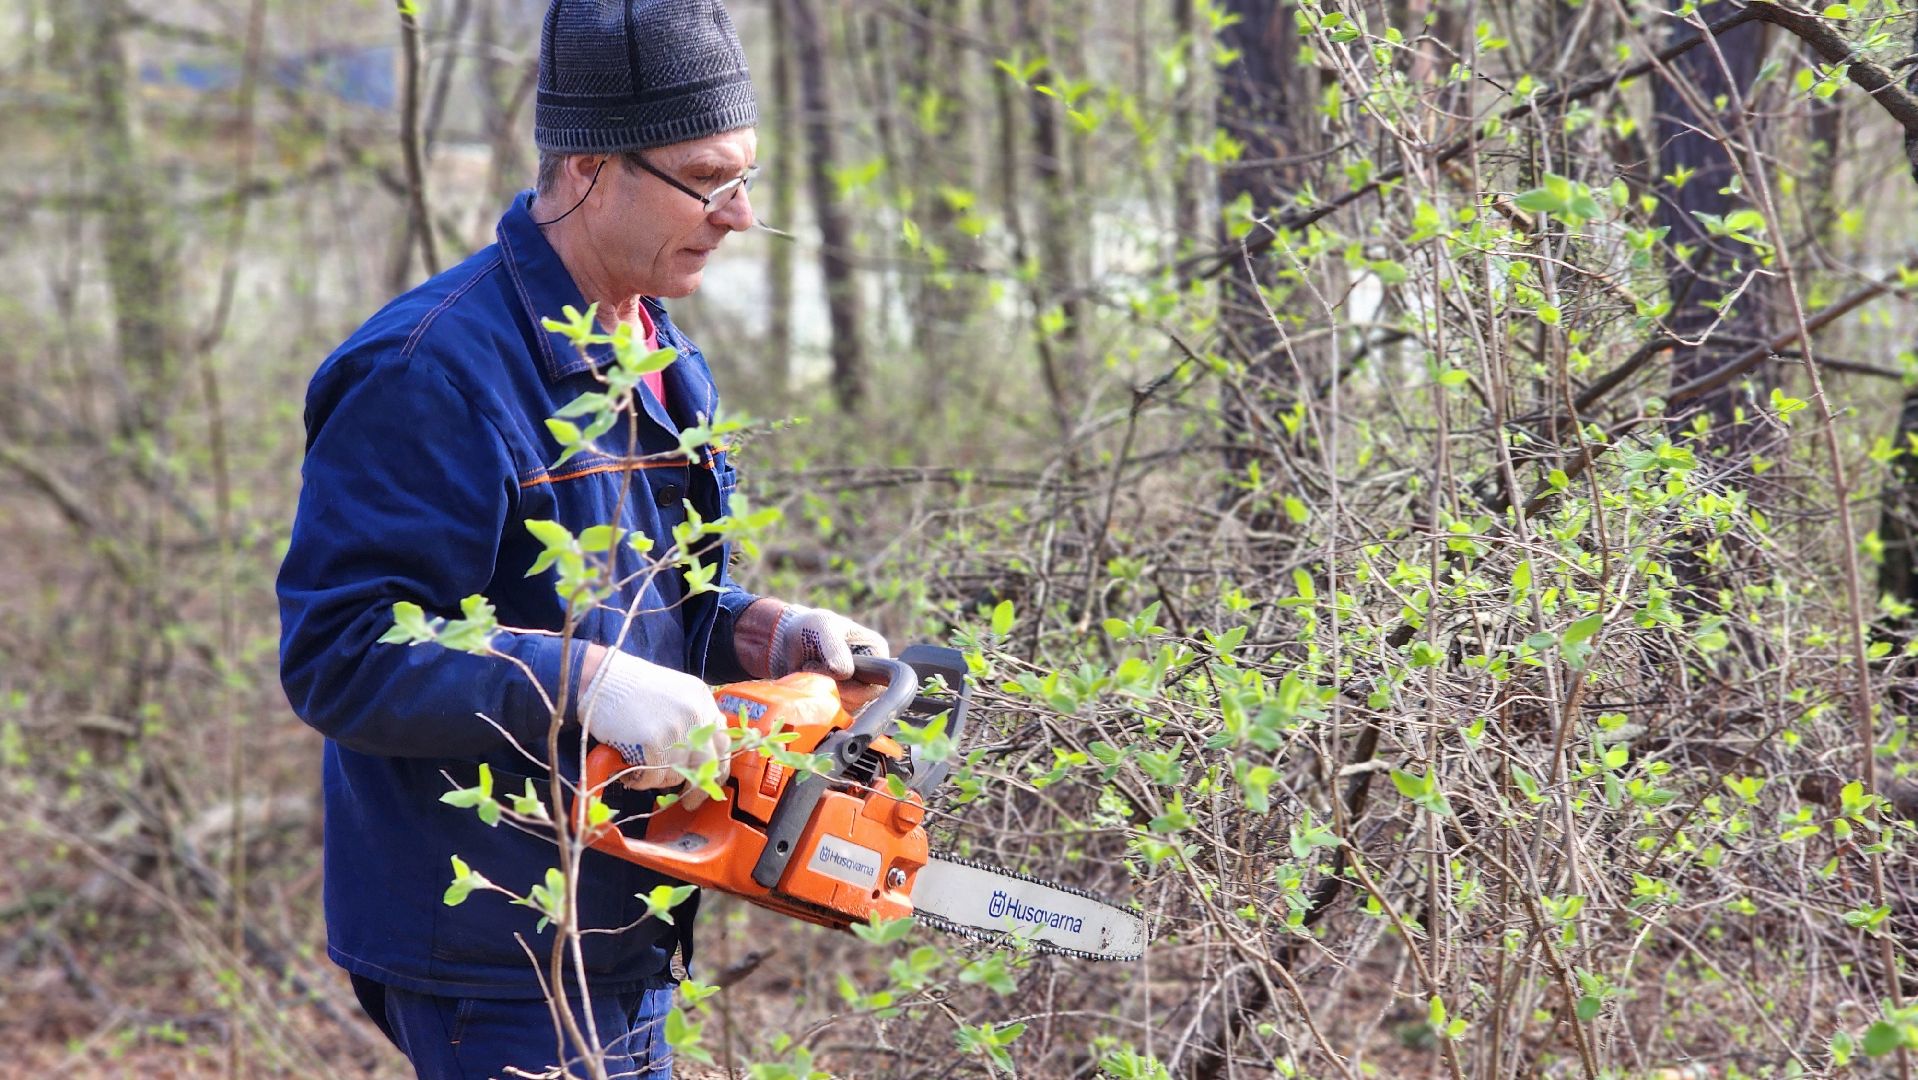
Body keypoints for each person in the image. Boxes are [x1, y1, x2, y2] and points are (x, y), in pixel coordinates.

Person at [276, 2, 885, 1075]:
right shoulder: (429, 374)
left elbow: (664, 603)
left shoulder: (655, 350)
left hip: (620, 914)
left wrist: (765, 637)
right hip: (492, 938)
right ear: (594, 166)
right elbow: (343, 656)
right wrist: (582, 680)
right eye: (708, 178)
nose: (738, 215)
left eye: (747, 176)